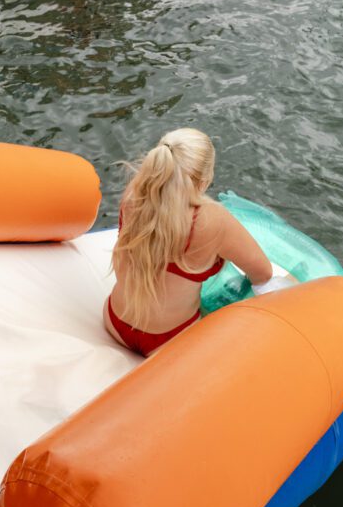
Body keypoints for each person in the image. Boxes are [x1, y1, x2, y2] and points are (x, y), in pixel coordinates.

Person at [104, 128, 273, 357]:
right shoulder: (212, 220)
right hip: (169, 340)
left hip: (115, 322)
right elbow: (262, 273)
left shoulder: (135, 195)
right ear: (204, 181)